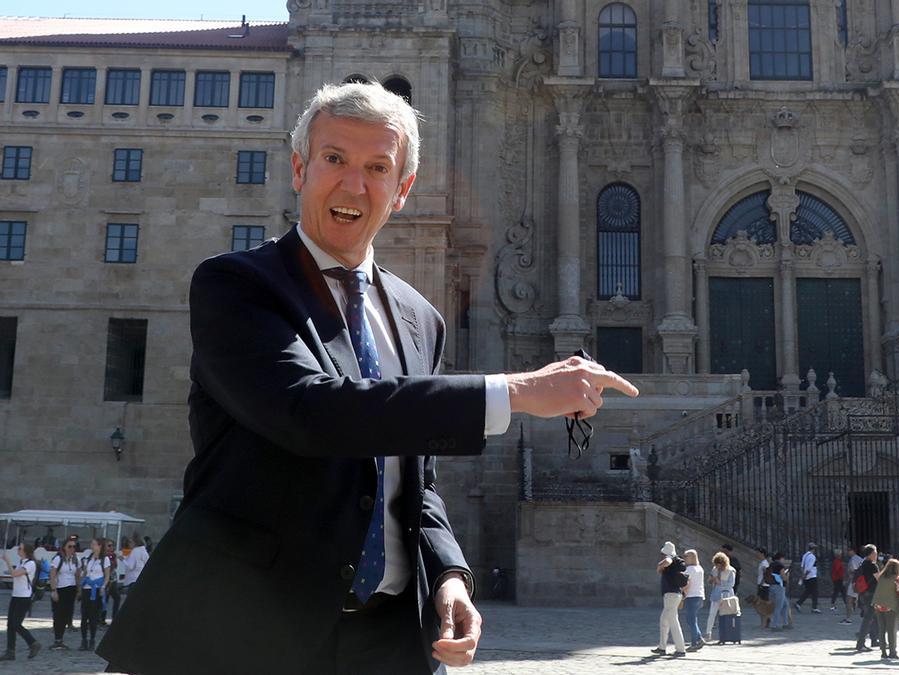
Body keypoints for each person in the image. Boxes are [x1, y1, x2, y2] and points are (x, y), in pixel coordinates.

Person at [97, 81, 640, 675]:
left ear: (402, 189)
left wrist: (448, 576)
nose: (354, 184)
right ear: (300, 167)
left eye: (378, 167)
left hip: (387, 643)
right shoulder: (237, 286)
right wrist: (512, 392)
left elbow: (415, 483)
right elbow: (310, 413)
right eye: (335, 159)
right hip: (242, 631)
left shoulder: (420, 319)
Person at [1, 543, 41, 661]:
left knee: (16, 624)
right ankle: (10, 651)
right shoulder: (21, 562)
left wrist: (7, 561)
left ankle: (33, 643)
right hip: (16, 595)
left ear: (25, 551)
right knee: (10, 624)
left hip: (24, 597)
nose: (18, 550)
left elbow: (14, 574)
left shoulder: (30, 564)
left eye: (20, 548)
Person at [653, 541, 687, 657]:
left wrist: (659, 566)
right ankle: (662, 647)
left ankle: (680, 649)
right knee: (664, 620)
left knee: (673, 622)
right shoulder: (676, 561)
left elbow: (667, 561)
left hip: (671, 595)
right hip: (674, 594)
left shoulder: (670, 558)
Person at [79, 538, 111, 652]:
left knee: (93, 617)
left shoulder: (104, 559)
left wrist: (103, 587)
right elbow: (84, 573)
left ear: (99, 546)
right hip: (87, 589)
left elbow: (107, 576)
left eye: (93, 544)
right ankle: (83, 640)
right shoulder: (88, 559)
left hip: (96, 590)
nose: (91, 546)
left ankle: (92, 639)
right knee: (84, 616)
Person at [48, 539, 80, 651]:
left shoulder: (76, 559)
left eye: (74, 547)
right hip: (60, 589)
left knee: (67, 615)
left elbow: (77, 575)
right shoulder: (58, 559)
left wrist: (78, 590)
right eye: (69, 546)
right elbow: (52, 575)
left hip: (71, 589)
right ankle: (57, 639)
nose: (72, 549)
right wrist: (53, 590)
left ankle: (61, 639)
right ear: (64, 547)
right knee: (58, 615)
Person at [872, 558, 899, 660]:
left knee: (882, 629)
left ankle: (883, 652)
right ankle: (892, 652)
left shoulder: (881, 577)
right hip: (890, 606)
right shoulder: (896, 579)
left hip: (878, 605)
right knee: (891, 630)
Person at [704, 551, 736, 642]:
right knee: (712, 614)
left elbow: (731, 584)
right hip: (716, 595)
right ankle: (708, 633)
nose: (718, 567)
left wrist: (720, 583)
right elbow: (710, 580)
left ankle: (728, 634)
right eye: (716, 565)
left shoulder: (730, 570)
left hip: (727, 595)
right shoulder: (714, 569)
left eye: (720, 565)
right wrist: (711, 580)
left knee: (726, 615)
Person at [854, 544, 880, 652]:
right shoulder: (872, 565)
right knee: (868, 619)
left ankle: (874, 639)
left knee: (874, 618)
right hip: (871, 594)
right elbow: (879, 579)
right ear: (871, 554)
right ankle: (860, 643)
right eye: (875, 553)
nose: (876, 555)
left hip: (863, 593)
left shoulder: (863, 563)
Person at [681, 549, 706, 651]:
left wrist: (682, 594)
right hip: (699, 596)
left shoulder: (689, 569)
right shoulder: (700, 568)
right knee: (693, 620)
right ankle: (699, 639)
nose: (684, 559)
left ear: (691, 557)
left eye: (686, 556)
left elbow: (687, 584)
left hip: (691, 596)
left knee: (691, 621)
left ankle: (694, 643)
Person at [794, 542, 820, 613]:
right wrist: (805, 575)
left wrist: (803, 575)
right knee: (814, 592)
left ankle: (799, 603)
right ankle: (814, 607)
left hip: (806, 576)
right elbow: (809, 568)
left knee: (808, 591)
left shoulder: (805, 555)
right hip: (811, 576)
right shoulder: (812, 557)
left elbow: (802, 566)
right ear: (813, 549)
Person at [768, 552, 791, 630]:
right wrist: (787, 576)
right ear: (781, 558)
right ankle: (775, 625)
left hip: (772, 586)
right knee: (779, 606)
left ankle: (785, 623)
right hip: (779, 587)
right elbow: (784, 578)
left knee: (785, 605)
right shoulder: (780, 565)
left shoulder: (772, 564)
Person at [102, 538, 121, 626]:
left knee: (117, 597)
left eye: (112, 546)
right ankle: (101, 619)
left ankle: (115, 617)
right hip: (106, 580)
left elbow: (115, 566)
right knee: (105, 599)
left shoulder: (112, 555)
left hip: (113, 579)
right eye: (109, 546)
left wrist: (114, 558)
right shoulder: (103, 556)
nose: (111, 548)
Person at [844, 546, 863, 624]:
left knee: (849, 599)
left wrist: (849, 577)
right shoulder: (859, 558)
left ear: (852, 551)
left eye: (848, 551)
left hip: (854, 582)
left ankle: (848, 618)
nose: (847, 553)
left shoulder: (854, 559)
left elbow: (854, 571)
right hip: (857, 581)